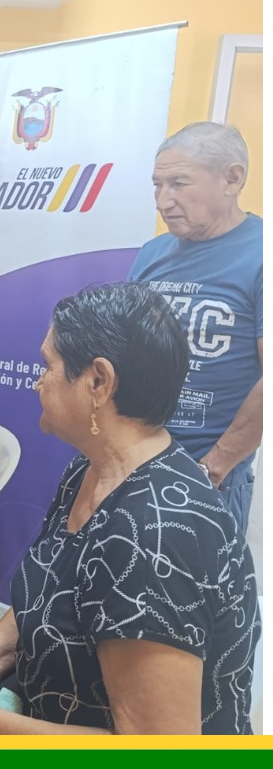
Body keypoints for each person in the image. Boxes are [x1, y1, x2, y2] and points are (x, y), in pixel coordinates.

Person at [0, 282, 260, 735]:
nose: (37, 381)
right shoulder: (92, 468)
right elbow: (47, 593)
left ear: (99, 382)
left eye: (48, 366)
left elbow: (159, 751)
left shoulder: (154, 537)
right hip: (56, 685)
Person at [128, 122, 262, 534]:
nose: (163, 200)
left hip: (208, 473)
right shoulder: (151, 254)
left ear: (232, 179)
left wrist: (215, 466)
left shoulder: (262, 254)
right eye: (157, 185)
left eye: (179, 184)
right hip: (134, 460)